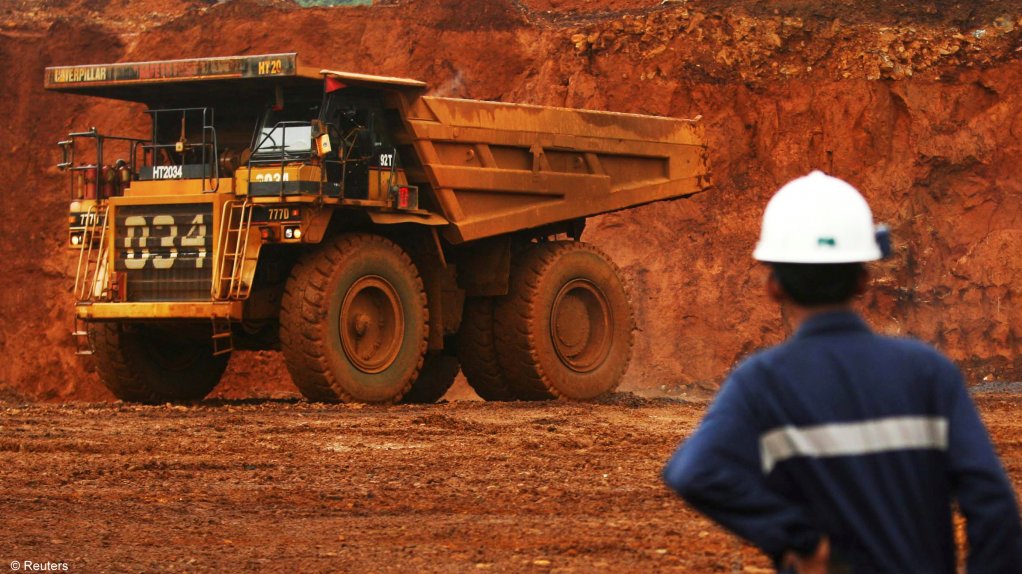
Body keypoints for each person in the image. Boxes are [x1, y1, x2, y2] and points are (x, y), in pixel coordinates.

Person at [662, 171, 1022, 573]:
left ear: (774, 286)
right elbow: (993, 506)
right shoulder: (929, 373)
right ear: (864, 280)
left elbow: (694, 471)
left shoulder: (762, 382)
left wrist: (796, 538)